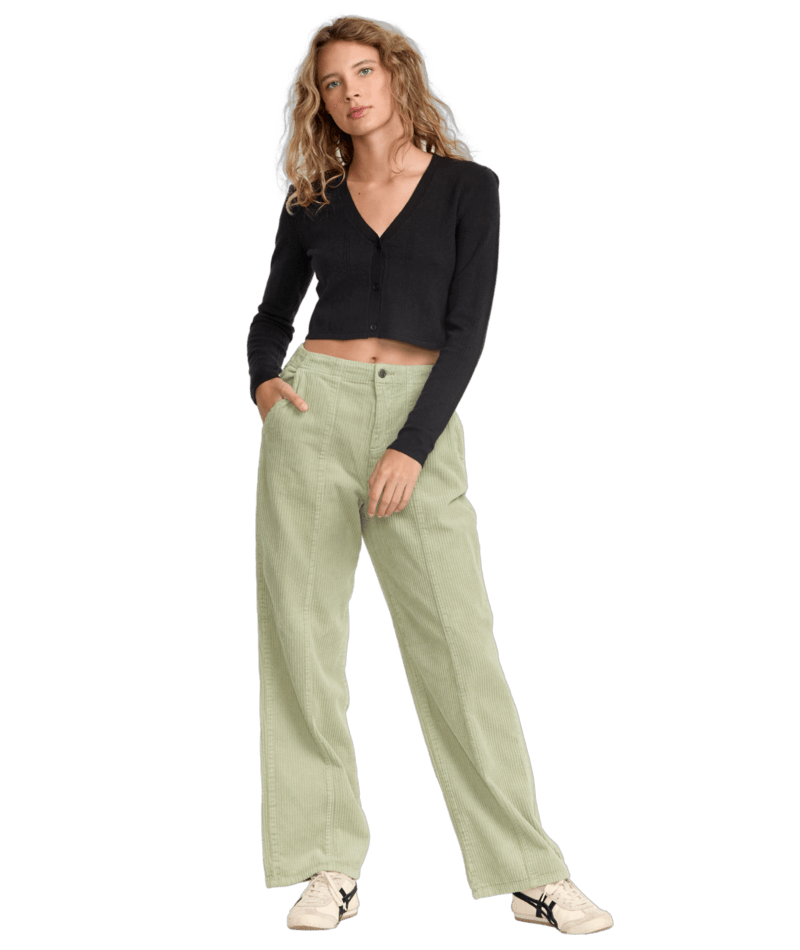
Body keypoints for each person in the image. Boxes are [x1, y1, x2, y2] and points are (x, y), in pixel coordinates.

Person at [247, 16, 614, 935]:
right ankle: (327, 864)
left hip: (420, 416)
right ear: (320, 101)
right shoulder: (310, 200)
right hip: (313, 414)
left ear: (397, 75)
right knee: (300, 643)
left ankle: (528, 871)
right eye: (332, 82)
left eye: (364, 72)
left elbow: (469, 328)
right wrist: (266, 386)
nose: (351, 92)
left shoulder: (467, 188)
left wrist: (412, 445)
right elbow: (271, 316)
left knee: (459, 646)